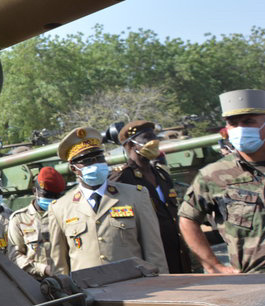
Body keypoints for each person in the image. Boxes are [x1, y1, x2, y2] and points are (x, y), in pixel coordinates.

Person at [48, 126, 168, 274]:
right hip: (89, 292)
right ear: (74, 168)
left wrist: (162, 284)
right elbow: (59, 265)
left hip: (135, 289)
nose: (94, 164)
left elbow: (154, 251)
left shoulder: (136, 195)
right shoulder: (60, 208)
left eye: (98, 158)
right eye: (86, 161)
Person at [179, 89, 265, 274]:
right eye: (233, 124)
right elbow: (188, 219)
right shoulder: (213, 175)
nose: (241, 129)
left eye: (249, 122)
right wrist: (213, 266)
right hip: (253, 283)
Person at [109, 120, 192, 273]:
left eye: (154, 137)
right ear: (130, 145)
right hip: (150, 259)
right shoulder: (122, 179)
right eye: (147, 138)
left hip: (177, 256)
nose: (153, 142)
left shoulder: (161, 175)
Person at [8, 166, 66, 279]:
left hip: (66, 278)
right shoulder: (19, 219)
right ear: (35, 191)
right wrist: (43, 269)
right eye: (47, 195)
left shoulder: (65, 214)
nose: (51, 200)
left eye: (55, 196)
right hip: (34, 281)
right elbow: (14, 255)